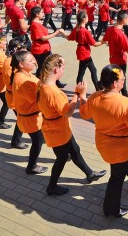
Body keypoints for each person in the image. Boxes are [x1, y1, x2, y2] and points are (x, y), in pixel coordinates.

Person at [79, 65, 128, 218]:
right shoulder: (124, 103)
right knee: (116, 178)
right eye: (122, 79)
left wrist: (82, 95)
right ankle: (111, 209)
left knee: (123, 165)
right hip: (120, 148)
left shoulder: (95, 97)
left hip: (103, 143)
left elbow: (84, 114)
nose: (124, 82)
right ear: (114, 83)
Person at [36, 54, 107, 195]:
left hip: (56, 128)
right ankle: (52, 186)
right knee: (62, 158)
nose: (64, 71)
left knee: (75, 149)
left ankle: (90, 174)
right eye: (63, 68)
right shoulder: (53, 92)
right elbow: (67, 112)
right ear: (56, 70)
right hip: (57, 130)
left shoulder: (42, 85)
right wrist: (77, 93)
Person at [10, 50, 47, 175]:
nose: (34, 61)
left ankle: (66, 153)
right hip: (31, 119)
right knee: (38, 142)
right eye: (31, 60)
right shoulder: (22, 80)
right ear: (21, 64)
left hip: (33, 117)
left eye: (34, 59)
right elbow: (37, 99)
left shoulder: (26, 74)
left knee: (42, 139)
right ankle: (31, 166)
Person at [67, 11, 102, 87]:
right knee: (82, 72)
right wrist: (104, 41)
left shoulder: (77, 28)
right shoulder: (85, 31)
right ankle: (84, 89)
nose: (88, 18)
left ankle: (97, 87)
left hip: (81, 51)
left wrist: (62, 33)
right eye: (87, 17)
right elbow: (95, 44)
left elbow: (69, 38)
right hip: (84, 53)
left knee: (93, 70)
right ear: (84, 19)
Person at [29, 6, 65, 79]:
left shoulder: (37, 23)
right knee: (42, 68)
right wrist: (56, 33)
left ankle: (55, 81)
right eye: (42, 12)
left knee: (51, 65)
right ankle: (39, 83)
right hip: (40, 50)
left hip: (45, 48)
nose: (43, 14)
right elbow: (43, 38)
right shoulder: (35, 25)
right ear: (37, 14)